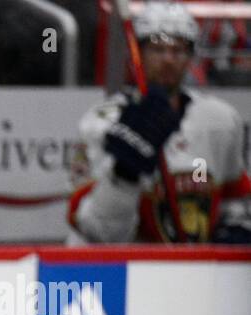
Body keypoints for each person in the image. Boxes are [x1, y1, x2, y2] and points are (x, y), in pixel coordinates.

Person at [68, 1, 250, 244]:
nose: (168, 59)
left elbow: (234, 201)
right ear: (139, 55)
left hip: (195, 272)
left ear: (190, 56)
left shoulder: (220, 120)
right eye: (157, 49)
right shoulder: (102, 122)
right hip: (127, 272)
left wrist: (233, 230)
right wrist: (125, 174)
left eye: (178, 50)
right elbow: (97, 233)